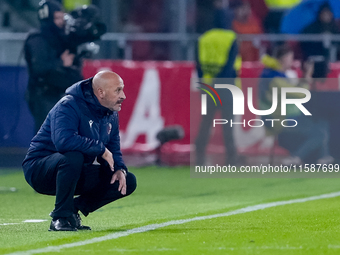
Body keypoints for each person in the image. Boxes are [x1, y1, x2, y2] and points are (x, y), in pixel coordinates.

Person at [22, 71, 137, 231]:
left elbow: (114, 148)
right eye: (118, 90)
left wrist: (118, 168)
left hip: (72, 170)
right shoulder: (69, 105)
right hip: (40, 170)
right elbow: (64, 141)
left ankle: (72, 210)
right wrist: (100, 148)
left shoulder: (110, 113)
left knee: (126, 181)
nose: (123, 95)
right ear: (100, 92)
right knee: (73, 156)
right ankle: (60, 218)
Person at [258, 44, 334, 165]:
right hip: (280, 119)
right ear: (282, 59)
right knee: (319, 132)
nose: (292, 62)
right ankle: (296, 157)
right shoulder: (274, 79)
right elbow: (300, 94)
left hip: (289, 116)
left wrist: (303, 78)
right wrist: (307, 77)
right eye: (290, 58)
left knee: (321, 124)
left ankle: (322, 158)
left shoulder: (278, 76)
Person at [24, 0, 83, 132]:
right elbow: (39, 67)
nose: (61, 21)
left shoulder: (62, 38)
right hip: (43, 94)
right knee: (47, 134)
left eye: (62, 17)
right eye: (57, 17)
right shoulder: (37, 39)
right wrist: (61, 62)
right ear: (47, 18)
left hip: (58, 92)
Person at [195, 0, 239, 166]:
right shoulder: (230, 38)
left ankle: (199, 154)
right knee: (227, 124)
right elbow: (230, 66)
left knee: (206, 123)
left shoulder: (203, 39)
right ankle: (231, 157)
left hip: (207, 86)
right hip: (226, 87)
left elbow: (198, 65)